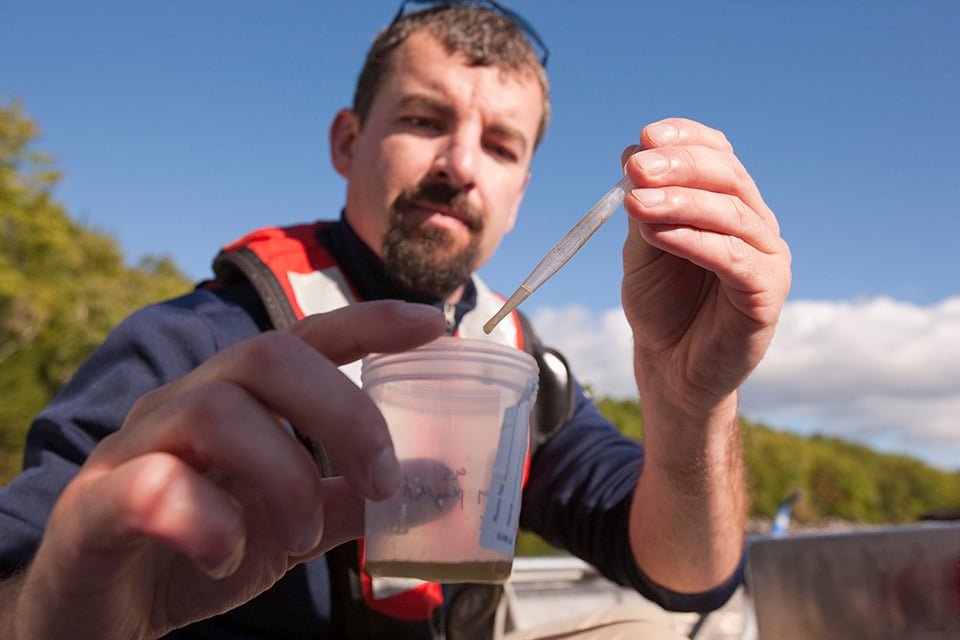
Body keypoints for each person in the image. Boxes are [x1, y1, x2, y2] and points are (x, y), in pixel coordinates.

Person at [0, 2, 791, 639]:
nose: (459, 166)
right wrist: (55, 618)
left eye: (502, 146)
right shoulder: (196, 344)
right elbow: (22, 567)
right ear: (349, 142)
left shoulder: (517, 373)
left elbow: (687, 575)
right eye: (422, 119)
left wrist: (691, 402)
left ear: (519, 196)